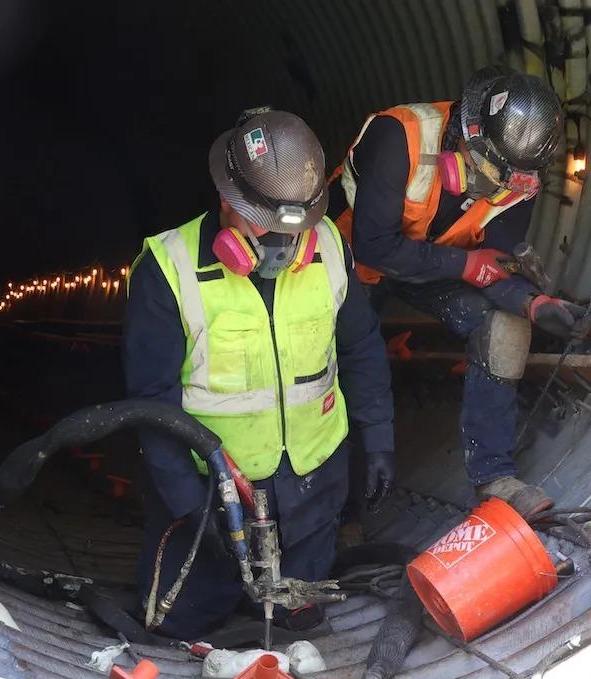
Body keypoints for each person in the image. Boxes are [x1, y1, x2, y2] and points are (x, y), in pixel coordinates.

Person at [123, 108, 395, 641]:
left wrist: (379, 437)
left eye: (294, 231)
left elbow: (361, 347)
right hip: (212, 493)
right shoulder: (167, 269)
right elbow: (151, 406)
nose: (280, 246)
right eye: (265, 227)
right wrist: (193, 514)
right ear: (228, 200)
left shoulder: (331, 249)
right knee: (182, 629)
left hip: (314, 480)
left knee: (299, 627)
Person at [326, 66, 583, 517]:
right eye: (487, 171)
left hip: (433, 263)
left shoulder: (517, 178)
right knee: (344, 370)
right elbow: (373, 244)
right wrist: (465, 264)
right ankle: (345, 507)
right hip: (350, 263)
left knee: (504, 327)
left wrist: (533, 302)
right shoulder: (398, 136)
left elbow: (496, 263)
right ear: (464, 136)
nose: (495, 188)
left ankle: (494, 476)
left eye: (507, 180)